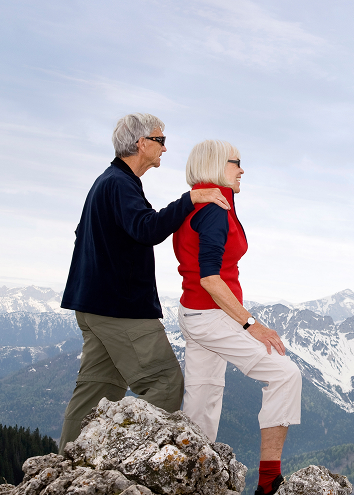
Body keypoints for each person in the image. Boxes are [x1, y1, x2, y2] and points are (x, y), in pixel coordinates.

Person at [58, 113, 230, 451]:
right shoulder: (119, 184)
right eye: (160, 140)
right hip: (121, 310)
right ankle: (130, 459)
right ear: (141, 144)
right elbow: (147, 228)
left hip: (92, 305)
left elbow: (83, 236)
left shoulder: (106, 183)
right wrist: (190, 199)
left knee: (97, 388)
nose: (165, 148)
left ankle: (69, 461)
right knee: (165, 382)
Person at [172, 139, 301, 495]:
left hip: (195, 312)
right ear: (215, 164)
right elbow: (210, 278)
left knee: (203, 400)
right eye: (236, 163)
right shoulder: (214, 209)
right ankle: (268, 481)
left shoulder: (199, 202)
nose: (242, 169)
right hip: (213, 315)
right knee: (285, 374)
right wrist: (251, 324)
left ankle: (189, 479)